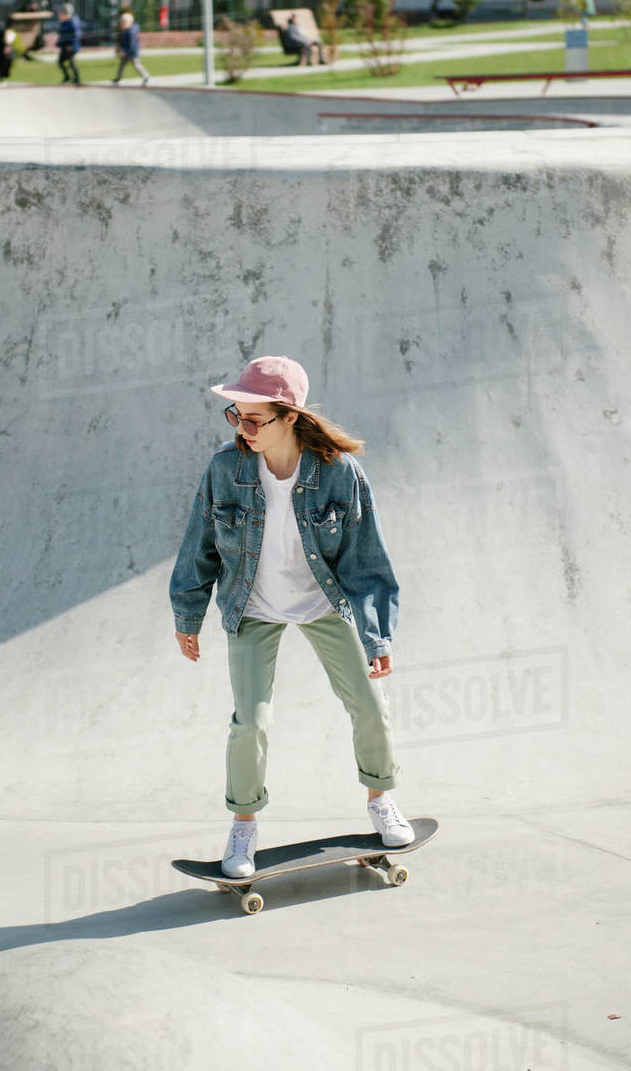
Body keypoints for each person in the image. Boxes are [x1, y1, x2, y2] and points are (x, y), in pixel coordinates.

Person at [169, 355, 414, 878]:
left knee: (369, 705)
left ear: (290, 416)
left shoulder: (337, 473)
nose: (244, 429)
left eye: (255, 419)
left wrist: (377, 635)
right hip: (251, 607)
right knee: (250, 724)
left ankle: (381, 800)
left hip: (322, 603)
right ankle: (243, 826)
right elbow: (199, 548)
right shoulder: (225, 470)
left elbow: (366, 558)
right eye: (235, 416)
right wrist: (187, 616)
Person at [111, 10, 150, 87]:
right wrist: (120, 49)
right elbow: (123, 42)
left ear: (128, 23)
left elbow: (132, 44)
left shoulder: (131, 32)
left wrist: (124, 51)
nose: (121, 25)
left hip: (132, 53)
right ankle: (118, 79)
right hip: (126, 52)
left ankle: (146, 76)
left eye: (123, 23)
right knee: (121, 66)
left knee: (137, 65)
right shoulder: (125, 31)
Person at [57, 2, 82, 85]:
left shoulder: (73, 22)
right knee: (60, 61)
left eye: (61, 14)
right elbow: (62, 34)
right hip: (65, 47)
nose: (60, 16)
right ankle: (67, 76)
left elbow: (76, 35)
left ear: (67, 14)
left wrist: (71, 45)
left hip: (71, 47)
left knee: (71, 62)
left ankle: (77, 78)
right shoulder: (64, 22)